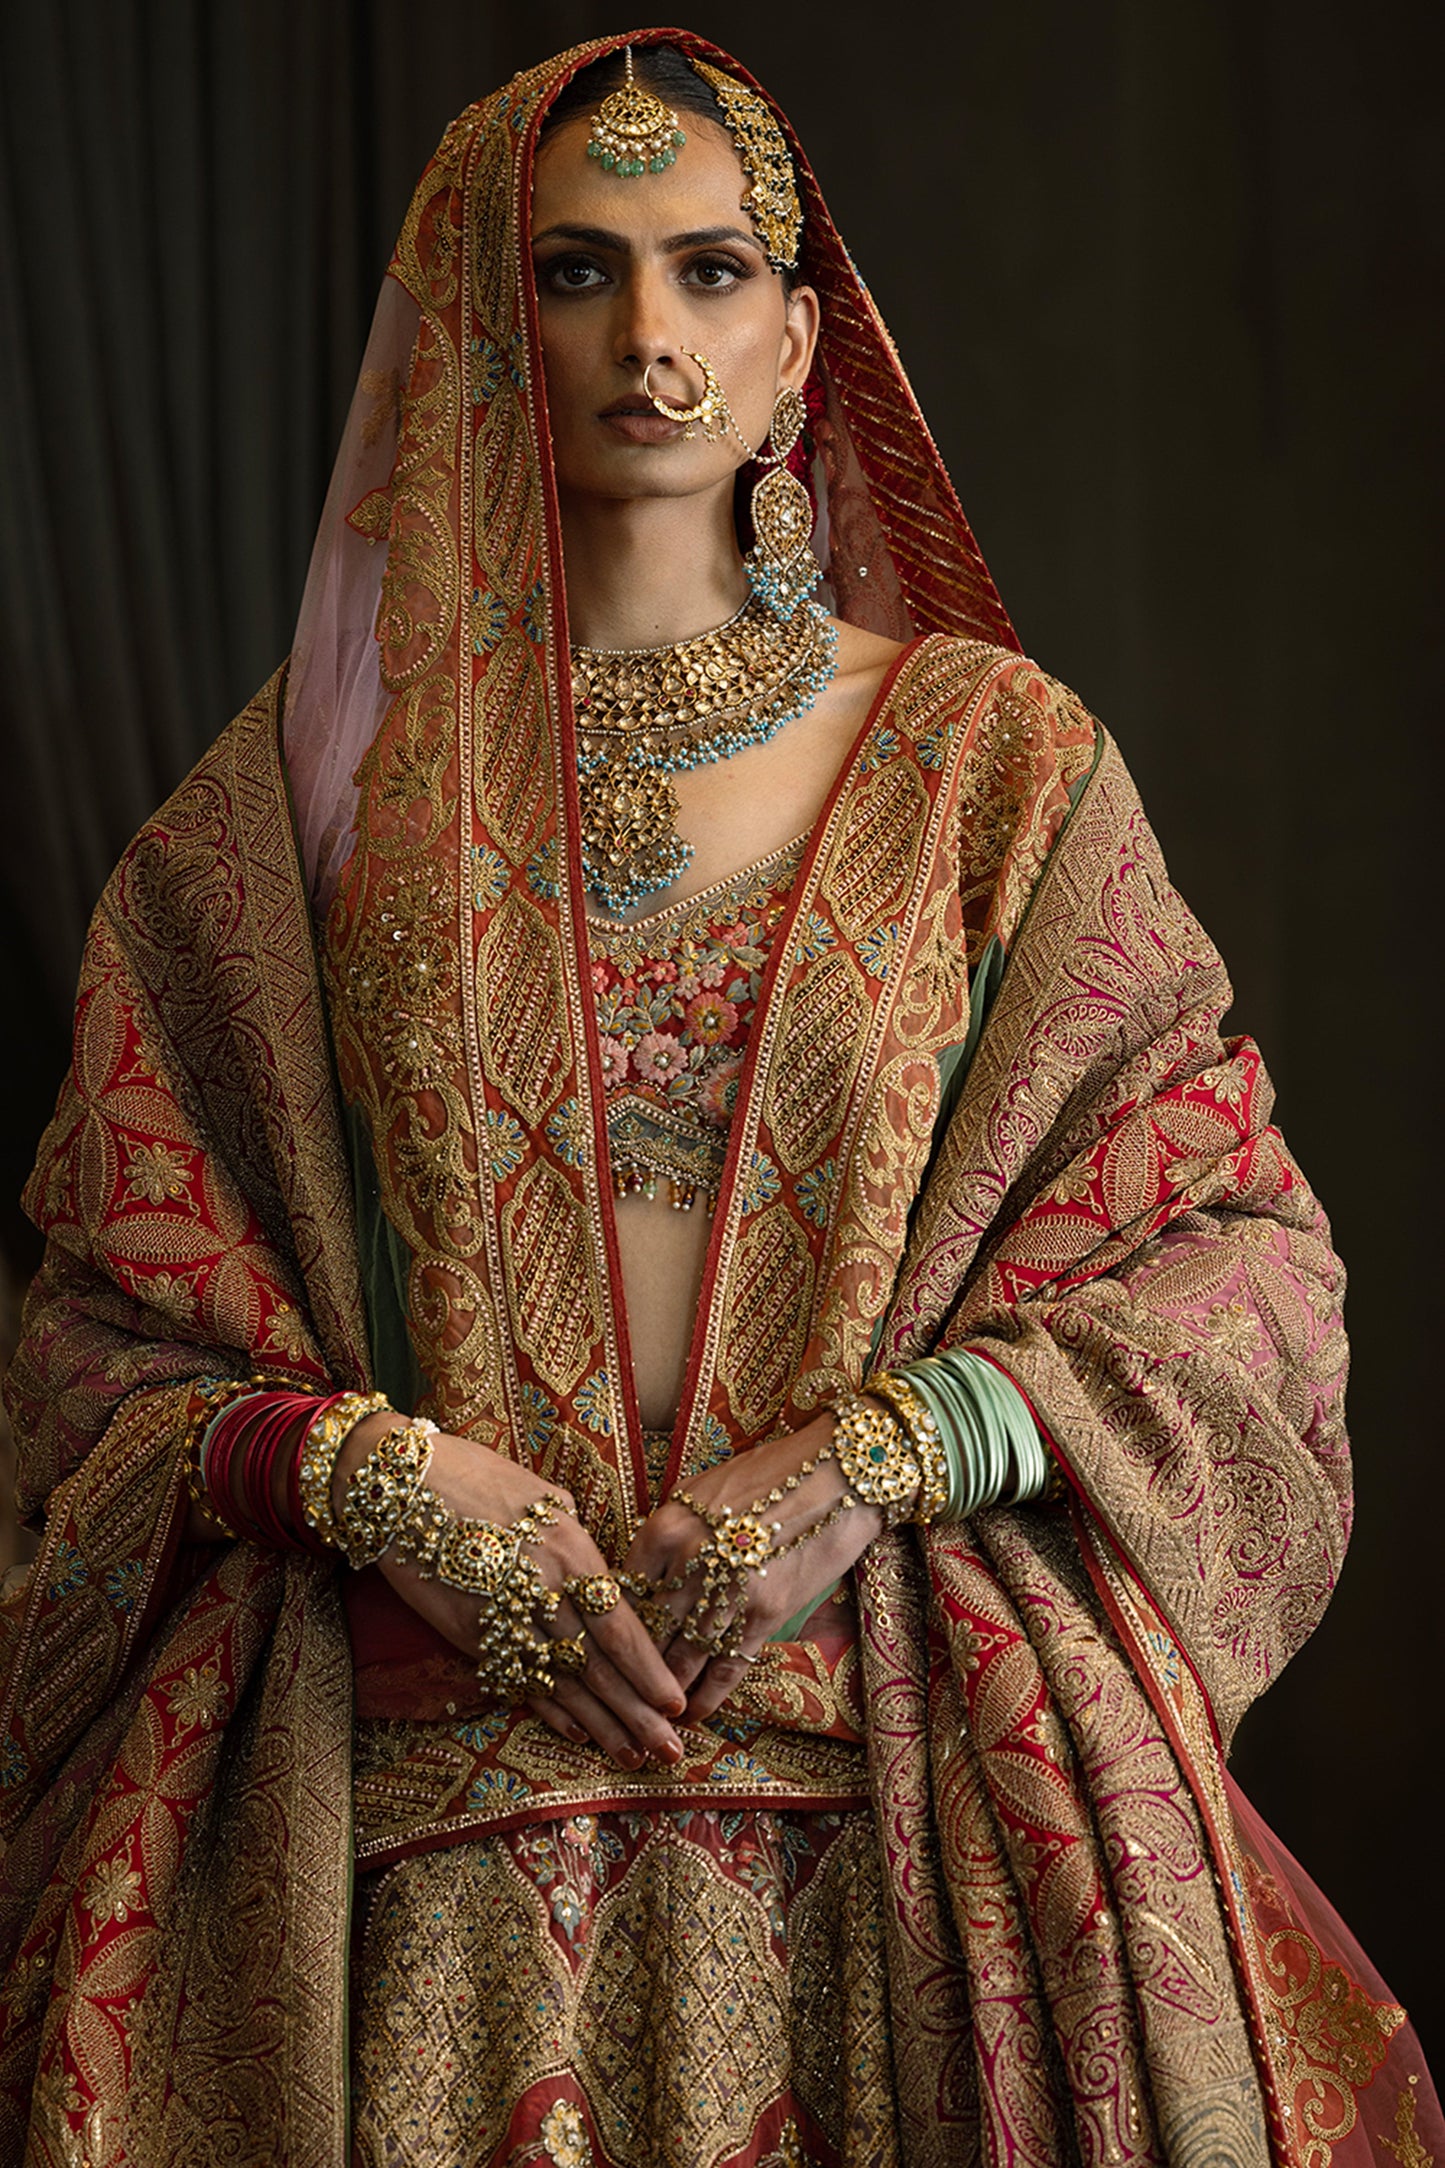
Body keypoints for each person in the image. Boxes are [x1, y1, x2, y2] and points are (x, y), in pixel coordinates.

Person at [0, 29, 1437, 2168]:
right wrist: (380, 1479)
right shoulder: (298, 820)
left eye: (709, 271)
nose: (649, 337)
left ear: (797, 352)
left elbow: (1237, 1265)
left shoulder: (990, 770)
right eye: (578, 274)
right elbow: (93, 1346)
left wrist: (865, 1462)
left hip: (909, 1831)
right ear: (488, 332)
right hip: (433, 1892)